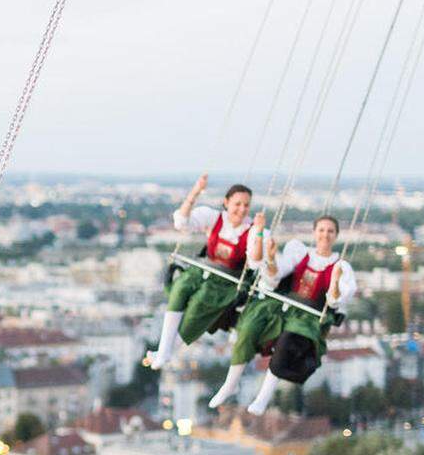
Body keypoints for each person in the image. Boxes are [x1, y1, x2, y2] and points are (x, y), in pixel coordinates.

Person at [208, 215, 356, 414]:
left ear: (336, 235)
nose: (325, 235)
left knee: (286, 343)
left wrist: (336, 282)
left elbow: (335, 300)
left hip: (309, 314)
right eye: (321, 230)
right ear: (314, 232)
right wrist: (270, 258)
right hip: (286, 305)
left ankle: (263, 397)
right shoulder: (301, 253)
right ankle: (230, 383)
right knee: (249, 329)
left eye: (330, 231)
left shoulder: (341, 267)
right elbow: (276, 275)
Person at [150, 173, 262, 369]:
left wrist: (260, 233)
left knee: (200, 305)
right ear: (226, 202)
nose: (242, 209)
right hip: (204, 270)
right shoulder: (214, 217)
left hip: (226, 281)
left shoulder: (251, 229)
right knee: (181, 287)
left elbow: (254, 261)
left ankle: (165, 352)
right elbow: (182, 223)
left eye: (246, 205)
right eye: (238, 204)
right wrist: (195, 192)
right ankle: (164, 350)